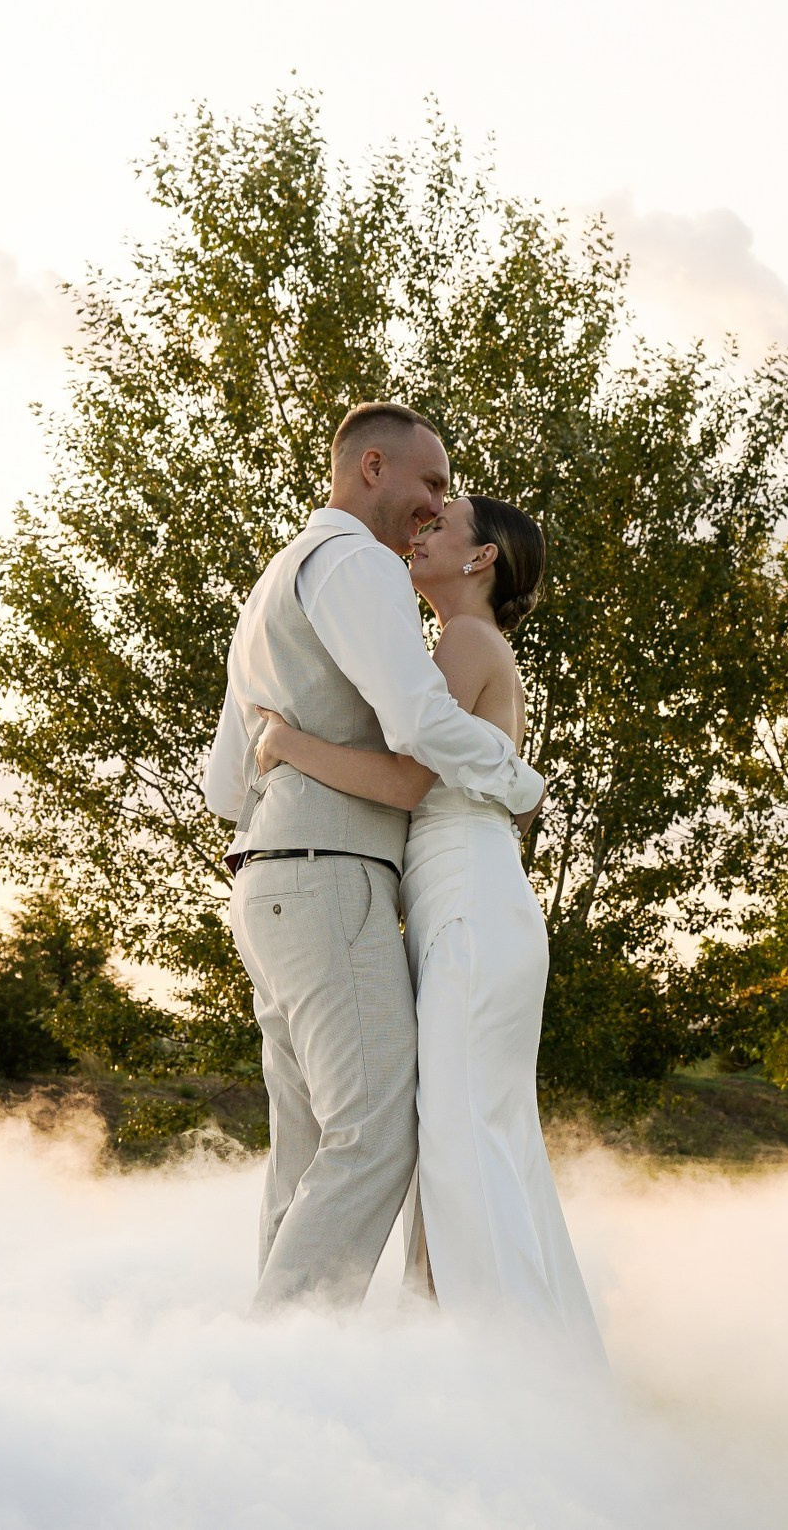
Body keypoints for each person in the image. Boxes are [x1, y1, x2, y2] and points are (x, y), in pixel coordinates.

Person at [201, 402, 545, 1311]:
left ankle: (272, 1379)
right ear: (373, 469)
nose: (434, 506)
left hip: (266, 878)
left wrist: (291, 761)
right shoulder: (359, 565)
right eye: (430, 483)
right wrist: (517, 779)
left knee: (308, 1145)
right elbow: (420, 731)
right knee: (377, 1137)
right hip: (328, 874)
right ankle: (280, 1360)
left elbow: (220, 788)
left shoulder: (277, 582)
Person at [254, 492, 602, 1355]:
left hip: (471, 910)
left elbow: (406, 778)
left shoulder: (462, 640)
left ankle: (497, 1369)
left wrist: (289, 745)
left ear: (481, 559)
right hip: (466, 900)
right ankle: (463, 1356)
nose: (421, 532)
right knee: (468, 1138)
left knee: (457, 1145)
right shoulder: (474, 644)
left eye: (441, 524)